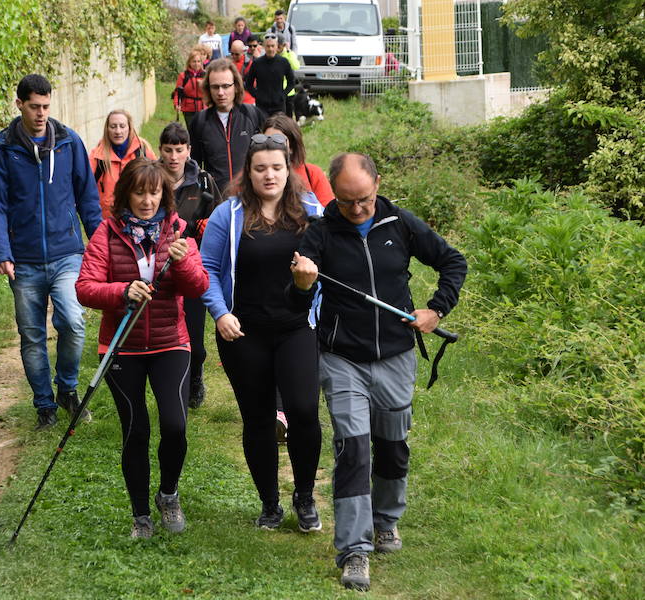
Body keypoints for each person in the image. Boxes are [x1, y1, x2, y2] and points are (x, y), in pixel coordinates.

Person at [288, 153, 467, 591]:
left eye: (364, 199)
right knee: (353, 449)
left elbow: (453, 262)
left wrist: (435, 310)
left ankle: (386, 520)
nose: (356, 209)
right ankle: (353, 550)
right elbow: (294, 303)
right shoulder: (319, 235)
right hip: (341, 357)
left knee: (391, 446)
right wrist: (302, 283)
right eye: (347, 201)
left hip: (396, 355)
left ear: (378, 184)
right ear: (334, 192)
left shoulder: (399, 224)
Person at [76, 158, 208, 539]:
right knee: (135, 431)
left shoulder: (179, 230)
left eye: (154, 193)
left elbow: (198, 287)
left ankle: (168, 494)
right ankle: (140, 516)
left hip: (170, 342)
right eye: (139, 192)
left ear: (164, 194)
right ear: (126, 196)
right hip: (123, 347)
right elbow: (85, 287)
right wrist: (121, 291)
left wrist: (182, 265)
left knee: (175, 425)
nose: (147, 201)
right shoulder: (106, 232)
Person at [200, 134, 325, 533]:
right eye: (260, 168)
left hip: (297, 328)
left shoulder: (311, 211)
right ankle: (269, 503)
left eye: (276, 167)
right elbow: (206, 269)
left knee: (304, 412)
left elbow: (330, 266)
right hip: (244, 333)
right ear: (247, 173)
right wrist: (219, 313)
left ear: (288, 169)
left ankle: (304, 496)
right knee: (257, 420)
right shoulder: (229, 214)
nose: (269, 175)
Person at [0, 74, 102, 431]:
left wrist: (100, 245)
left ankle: (67, 389)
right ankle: (44, 408)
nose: (41, 114)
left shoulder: (69, 142)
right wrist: (2, 252)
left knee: (73, 322)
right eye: (34, 106)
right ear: (19, 104)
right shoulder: (2, 149)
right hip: (23, 260)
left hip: (67, 252)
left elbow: (88, 198)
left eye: (46, 106)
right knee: (32, 335)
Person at [157, 122, 223, 409]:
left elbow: (219, 220)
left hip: (192, 267)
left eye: (179, 150)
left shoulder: (205, 182)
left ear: (189, 151)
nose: (173, 156)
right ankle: (172, 390)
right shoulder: (149, 179)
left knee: (195, 339)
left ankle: (196, 376)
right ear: (160, 150)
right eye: (168, 150)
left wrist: (207, 228)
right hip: (157, 268)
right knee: (165, 337)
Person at [187, 59, 266, 196]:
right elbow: (195, 166)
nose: (220, 92)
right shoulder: (200, 121)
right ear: (208, 88)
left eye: (225, 86)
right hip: (216, 200)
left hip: (250, 197)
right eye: (215, 87)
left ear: (235, 86)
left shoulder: (252, 115)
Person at [89, 109, 156, 219]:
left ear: (129, 128)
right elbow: (85, 189)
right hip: (108, 223)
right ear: (107, 129)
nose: (118, 131)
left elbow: (158, 182)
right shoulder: (97, 156)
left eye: (122, 126)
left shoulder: (143, 152)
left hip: (139, 221)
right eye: (113, 126)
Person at [262, 113, 334, 205]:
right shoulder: (254, 175)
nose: (271, 146)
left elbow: (326, 212)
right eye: (266, 140)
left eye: (278, 141)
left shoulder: (313, 173)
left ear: (292, 146)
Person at [243, 33, 295, 117]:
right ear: (263, 46)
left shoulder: (283, 62)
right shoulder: (257, 63)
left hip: (279, 106)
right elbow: (248, 84)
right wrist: (257, 96)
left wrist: (283, 95)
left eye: (272, 46)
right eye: (268, 46)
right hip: (262, 106)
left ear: (277, 46)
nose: (270, 49)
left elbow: (291, 81)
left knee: (279, 128)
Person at [173, 50, 207, 128]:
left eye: (198, 61)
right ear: (189, 62)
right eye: (194, 61)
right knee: (191, 130)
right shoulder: (183, 76)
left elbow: (210, 91)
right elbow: (177, 92)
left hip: (203, 107)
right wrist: (176, 104)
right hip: (188, 108)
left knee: (203, 129)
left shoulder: (205, 75)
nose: (196, 64)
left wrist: (202, 85)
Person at [228, 40, 255, 105]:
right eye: (232, 53)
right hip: (233, 100)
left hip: (248, 100)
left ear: (243, 52)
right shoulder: (228, 63)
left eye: (237, 54)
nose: (234, 56)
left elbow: (252, 84)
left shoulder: (250, 64)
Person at [279, 43, 300, 118]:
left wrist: (288, 52)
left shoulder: (289, 54)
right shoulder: (273, 55)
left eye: (279, 46)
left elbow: (296, 66)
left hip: (289, 92)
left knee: (288, 116)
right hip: (277, 91)